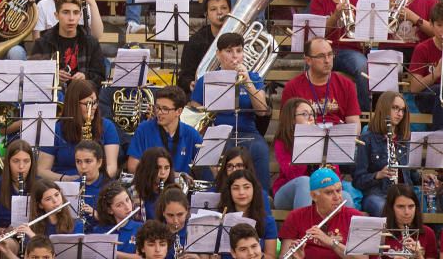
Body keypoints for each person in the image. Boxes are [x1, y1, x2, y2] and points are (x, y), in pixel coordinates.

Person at [190, 33, 272, 194]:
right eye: (229, 51)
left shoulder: (254, 77)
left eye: (239, 50)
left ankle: (263, 198)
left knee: (260, 149)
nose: (235, 56)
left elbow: (262, 110)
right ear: (218, 54)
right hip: (216, 132)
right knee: (210, 152)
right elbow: (195, 113)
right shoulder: (205, 80)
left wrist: (247, 81)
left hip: (247, 132)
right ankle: (210, 196)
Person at [278, 168, 364, 259]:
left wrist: (331, 243)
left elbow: (362, 258)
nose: (337, 197)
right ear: (314, 196)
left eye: (338, 191)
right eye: (329, 192)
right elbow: (283, 256)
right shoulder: (296, 217)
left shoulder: (355, 217)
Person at [280, 37, 362, 130]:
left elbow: (354, 122)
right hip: (306, 139)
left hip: (338, 139)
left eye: (330, 54)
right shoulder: (292, 87)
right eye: (321, 56)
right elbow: (286, 124)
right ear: (308, 60)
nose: (327, 60)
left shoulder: (346, 84)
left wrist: (350, 141)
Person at [125, 86, 202, 175]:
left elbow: (206, 164)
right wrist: (169, 175)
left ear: (179, 111)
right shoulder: (143, 129)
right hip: (150, 185)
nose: (159, 112)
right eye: (157, 107)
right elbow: (132, 167)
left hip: (179, 188)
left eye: (165, 109)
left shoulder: (191, 134)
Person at [31, 0, 106, 84]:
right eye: (65, 12)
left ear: (80, 15)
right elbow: (33, 77)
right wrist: (53, 75)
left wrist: (86, 77)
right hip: (53, 96)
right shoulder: (43, 42)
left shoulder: (91, 43)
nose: (71, 18)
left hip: (82, 96)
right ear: (56, 15)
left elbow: (101, 77)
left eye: (75, 13)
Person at [381, 184, 440, 259]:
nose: (407, 212)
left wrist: (419, 256)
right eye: (400, 206)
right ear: (391, 208)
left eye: (411, 206)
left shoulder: (428, 233)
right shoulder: (380, 234)